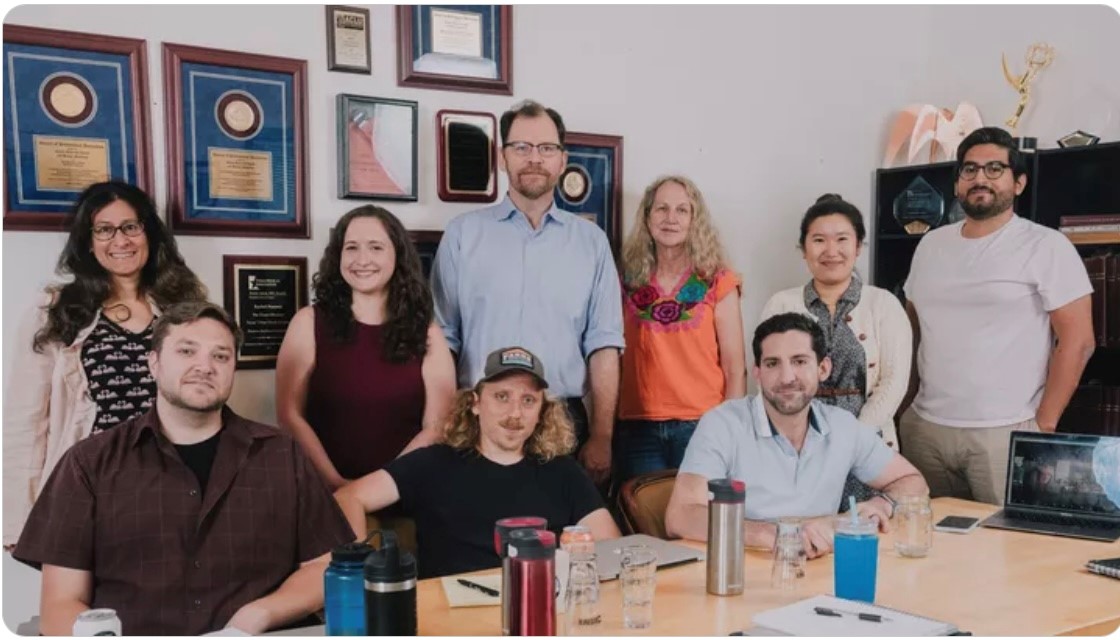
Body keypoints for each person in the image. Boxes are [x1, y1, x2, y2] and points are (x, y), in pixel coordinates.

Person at [12, 302, 355, 635]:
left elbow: (323, 567)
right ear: (154, 363)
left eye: (220, 356)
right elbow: (60, 605)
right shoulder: (87, 464)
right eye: (187, 351)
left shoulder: (282, 454)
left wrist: (254, 618)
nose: (204, 367)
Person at [3, 181, 207, 548]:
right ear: (87, 240)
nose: (120, 240)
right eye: (104, 230)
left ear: (148, 232)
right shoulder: (55, 310)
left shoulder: (185, 306)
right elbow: (25, 421)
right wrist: (17, 521)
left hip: (176, 482)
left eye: (131, 226)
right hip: (91, 487)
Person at [430, 100, 625, 484]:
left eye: (546, 148)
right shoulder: (462, 235)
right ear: (502, 157)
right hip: (480, 417)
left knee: (568, 524)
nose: (534, 158)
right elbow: (442, 340)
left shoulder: (591, 243)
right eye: (521, 147)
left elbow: (603, 344)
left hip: (563, 418)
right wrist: (441, 423)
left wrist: (603, 436)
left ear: (562, 159)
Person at [900, 126, 1096, 504]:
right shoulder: (930, 245)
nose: (980, 178)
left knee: (1003, 539)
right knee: (924, 537)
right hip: (925, 429)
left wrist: (1043, 424)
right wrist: (904, 408)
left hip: (1005, 430)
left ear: (1018, 183)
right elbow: (913, 332)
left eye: (994, 169)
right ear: (957, 184)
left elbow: (1079, 341)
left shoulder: (1046, 245)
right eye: (970, 169)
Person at [335, 346, 621, 579]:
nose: (515, 413)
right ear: (475, 403)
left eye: (528, 401)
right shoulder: (432, 464)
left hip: (539, 608)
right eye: (502, 397)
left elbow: (611, 548)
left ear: (542, 412)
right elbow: (349, 497)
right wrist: (356, 572)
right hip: (452, 615)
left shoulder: (562, 471)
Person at [664, 313, 928, 558]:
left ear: (823, 369)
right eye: (772, 364)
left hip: (818, 568)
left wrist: (882, 504)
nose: (787, 377)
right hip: (743, 568)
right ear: (757, 373)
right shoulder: (722, 423)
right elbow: (680, 517)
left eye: (799, 361)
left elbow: (912, 481)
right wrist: (771, 534)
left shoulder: (842, 425)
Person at [276, 205, 456, 489]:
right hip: (323, 492)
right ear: (338, 256)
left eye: (376, 247)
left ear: (397, 255)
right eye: (351, 247)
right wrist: (337, 484)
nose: (362, 259)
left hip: (402, 492)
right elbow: (289, 416)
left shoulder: (428, 333)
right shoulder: (307, 323)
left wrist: (376, 488)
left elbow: (437, 426)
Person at [760, 194, 912, 506]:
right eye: (819, 240)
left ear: (858, 247)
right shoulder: (781, 303)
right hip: (798, 445)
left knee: (866, 524)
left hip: (867, 444)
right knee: (802, 526)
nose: (831, 251)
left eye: (842, 239)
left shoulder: (883, 304)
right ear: (804, 249)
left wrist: (851, 441)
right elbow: (769, 376)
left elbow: (894, 381)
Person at [615, 175, 745, 483]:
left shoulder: (717, 280)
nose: (670, 218)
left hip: (702, 425)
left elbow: (735, 368)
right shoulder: (626, 279)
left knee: (697, 512)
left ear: (694, 220)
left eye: (682, 210)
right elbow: (610, 358)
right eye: (661, 209)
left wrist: (731, 432)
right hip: (638, 428)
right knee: (643, 513)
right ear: (647, 217)